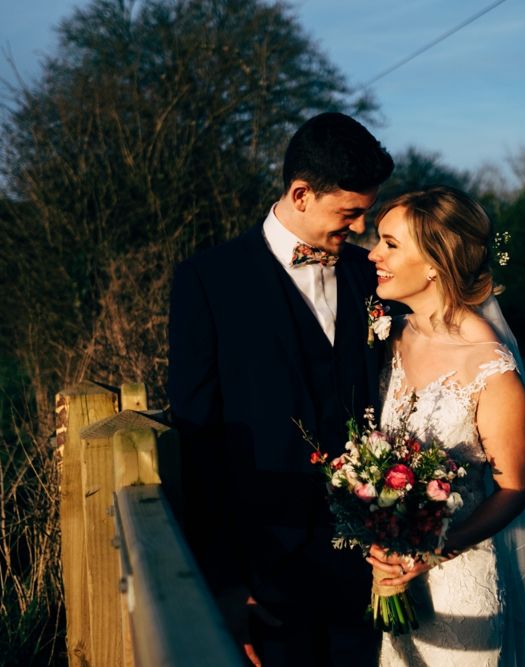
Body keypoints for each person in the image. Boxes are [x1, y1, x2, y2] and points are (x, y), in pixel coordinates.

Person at [168, 112, 394, 666]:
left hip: (370, 556)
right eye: (350, 213)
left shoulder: (375, 275)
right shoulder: (207, 281)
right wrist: (222, 578)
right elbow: (199, 434)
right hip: (266, 563)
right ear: (300, 193)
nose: (362, 229)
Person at [366, 186, 525, 666]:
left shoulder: (490, 368)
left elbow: (513, 490)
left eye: (391, 244)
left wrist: (435, 549)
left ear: (436, 262)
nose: (374, 254)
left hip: (460, 585)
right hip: (391, 575)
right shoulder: (392, 335)